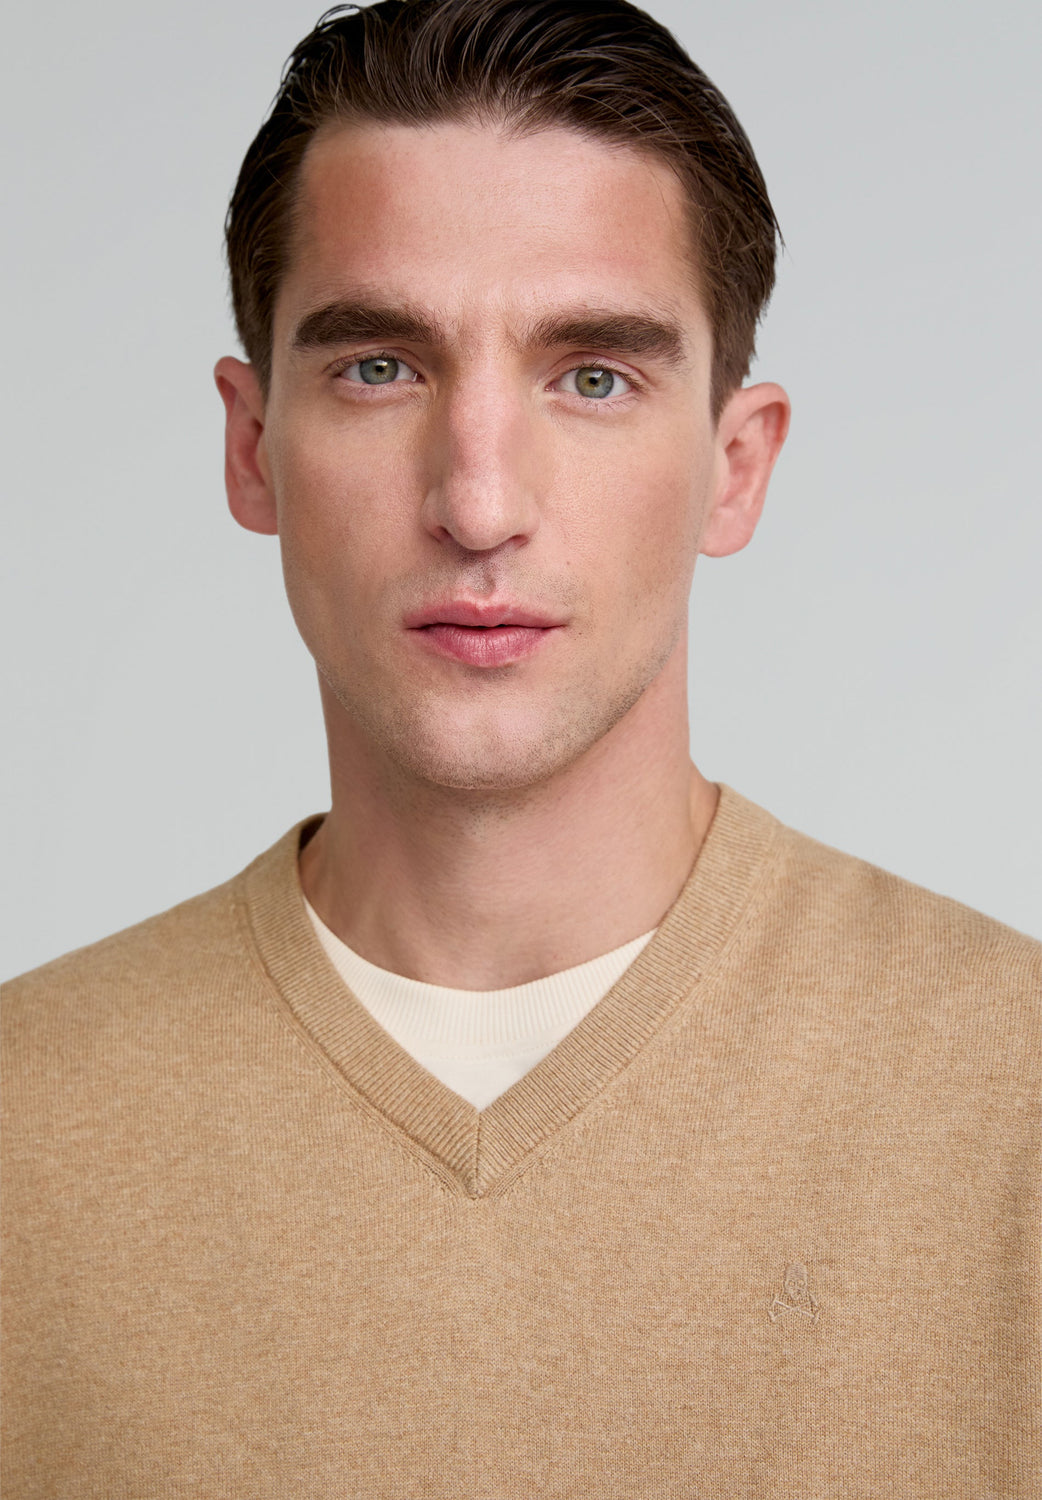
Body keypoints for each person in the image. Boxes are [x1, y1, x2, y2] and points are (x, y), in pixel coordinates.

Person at [3, 0, 1038, 1494]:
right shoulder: (25, 1125)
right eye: (379, 368)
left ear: (734, 467)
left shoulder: (1011, 1102)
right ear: (251, 446)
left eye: (593, 376)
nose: (479, 503)